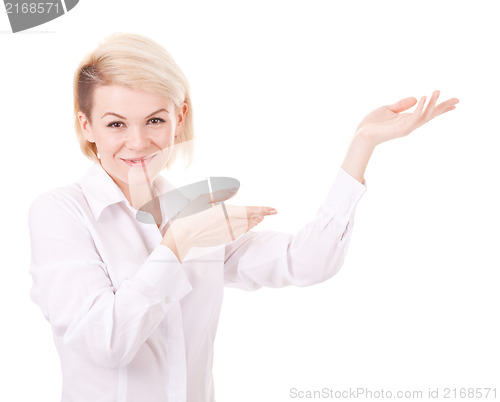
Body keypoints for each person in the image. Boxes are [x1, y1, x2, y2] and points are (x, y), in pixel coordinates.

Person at [27, 32, 459, 402]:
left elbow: (307, 261)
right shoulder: (61, 213)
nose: (138, 142)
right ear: (86, 127)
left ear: (179, 118)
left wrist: (363, 145)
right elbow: (106, 344)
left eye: (154, 120)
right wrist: (177, 246)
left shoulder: (194, 211)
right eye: (116, 124)